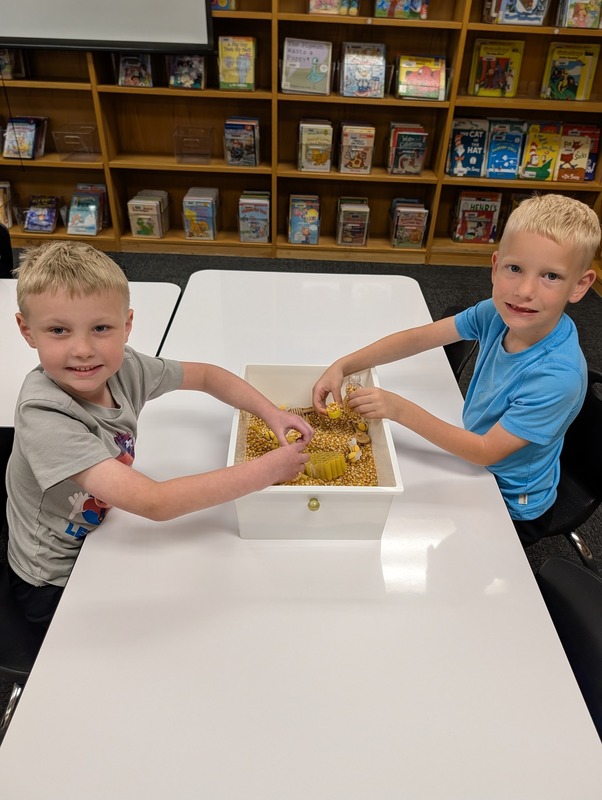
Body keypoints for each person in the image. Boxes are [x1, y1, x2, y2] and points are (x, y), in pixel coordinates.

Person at [7, 241, 313, 628]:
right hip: (55, 577)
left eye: (101, 328)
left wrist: (271, 412)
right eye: (58, 330)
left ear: (127, 325)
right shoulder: (45, 415)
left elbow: (205, 375)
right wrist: (267, 470)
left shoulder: (125, 365)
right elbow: (155, 502)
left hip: (109, 530)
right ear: (27, 330)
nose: (83, 350)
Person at [312, 194, 600, 546]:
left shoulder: (558, 377)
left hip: (509, 501)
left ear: (581, 285)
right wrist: (344, 364)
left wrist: (399, 409)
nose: (524, 291)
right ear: (495, 267)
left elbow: (484, 452)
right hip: (472, 459)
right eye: (515, 269)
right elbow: (420, 338)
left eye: (551, 276)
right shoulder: (498, 312)